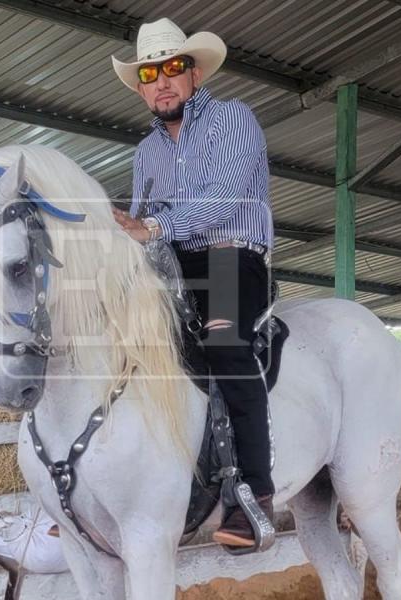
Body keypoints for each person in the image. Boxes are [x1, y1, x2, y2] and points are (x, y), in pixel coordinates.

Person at [111, 18, 275, 547]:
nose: (162, 81)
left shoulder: (233, 120)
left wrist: (153, 227)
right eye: (150, 73)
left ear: (193, 74)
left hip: (229, 255)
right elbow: (137, 229)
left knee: (225, 346)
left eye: (172, 69)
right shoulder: (145, 153)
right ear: (140, 88)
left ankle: (254, 494)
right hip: (171, 267)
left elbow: (224, 198)